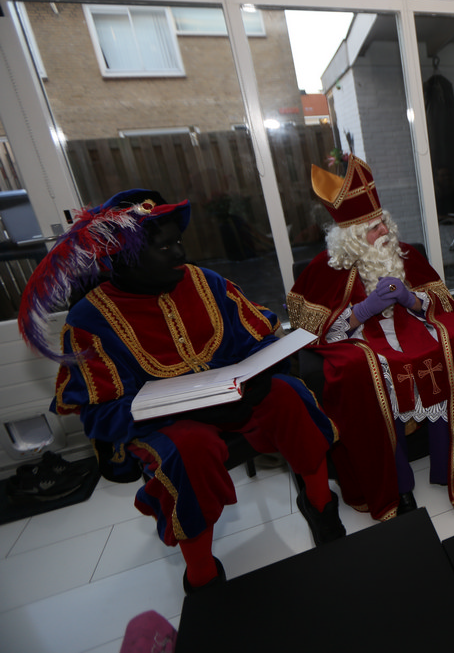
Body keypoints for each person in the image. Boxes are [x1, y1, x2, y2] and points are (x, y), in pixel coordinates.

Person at [17, 189, 343, 594]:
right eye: (164, 246)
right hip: (165, 425)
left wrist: (260, 375)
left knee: (289, 394)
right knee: (189, 448)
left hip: (238, 399)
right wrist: (185, 409)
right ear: (124, 256)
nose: (179, 253)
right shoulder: (89, 320)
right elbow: (101, 413)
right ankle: (201, 572)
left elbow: (257, 339)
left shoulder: (207, 282)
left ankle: (320, 503)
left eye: (178, 241)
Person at [287, 156, 454, 519]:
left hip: (412, 326)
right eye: (374, 227)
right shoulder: (326, 269)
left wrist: (410, 299)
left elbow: (439, 302)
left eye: (383, 221)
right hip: (362, 341)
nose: (384, 231)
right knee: (362, 373)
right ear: (353, 237)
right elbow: (317, 333)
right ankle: (398, 487)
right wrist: (363, 310)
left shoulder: (405, 255)